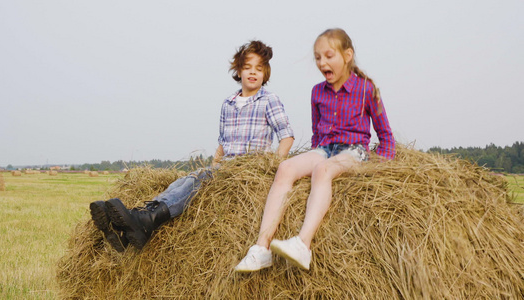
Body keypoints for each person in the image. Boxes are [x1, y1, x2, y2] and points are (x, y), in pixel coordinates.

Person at [90, 40, 294, 252]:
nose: (253, 73)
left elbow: (286, 135)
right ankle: (134, 223)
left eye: (259, 69)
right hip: (225, 169)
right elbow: (222, 144)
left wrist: (273, 168)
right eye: (248, 67)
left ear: (266, 73)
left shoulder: (269, 100)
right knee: (185, 181)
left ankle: (145, 220)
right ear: (239, 70)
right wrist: (214, 166)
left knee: (197, 182)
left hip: (248, 172)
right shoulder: (228, 103)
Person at [235, 28, 396, 272]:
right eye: (318, 57)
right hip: (324, 149)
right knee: (286, 167)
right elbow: (316, 135)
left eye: (329, 56)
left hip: (354, 152)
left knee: (323, 170)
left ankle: (303, 244)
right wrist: (308, 158)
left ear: (347, 55)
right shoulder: (317, 92)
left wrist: (380, 170)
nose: (322, 62)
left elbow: (386, 137)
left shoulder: (366, 89)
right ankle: (261, 248)